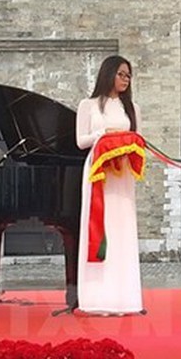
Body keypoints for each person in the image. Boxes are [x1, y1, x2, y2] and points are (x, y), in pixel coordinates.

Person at [76, 55, 143, 315]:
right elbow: (80, 140)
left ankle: (124, 299)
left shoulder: (132, 108)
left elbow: (139, 138)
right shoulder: (89, 105)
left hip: (122, 173)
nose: (125, 80)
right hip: (99, 171)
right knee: (100, 226)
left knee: (122, 229)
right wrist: (104, 136)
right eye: (121, 74)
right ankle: (97, 299)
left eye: (128, 75)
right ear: (108, 74)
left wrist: (125, 142)